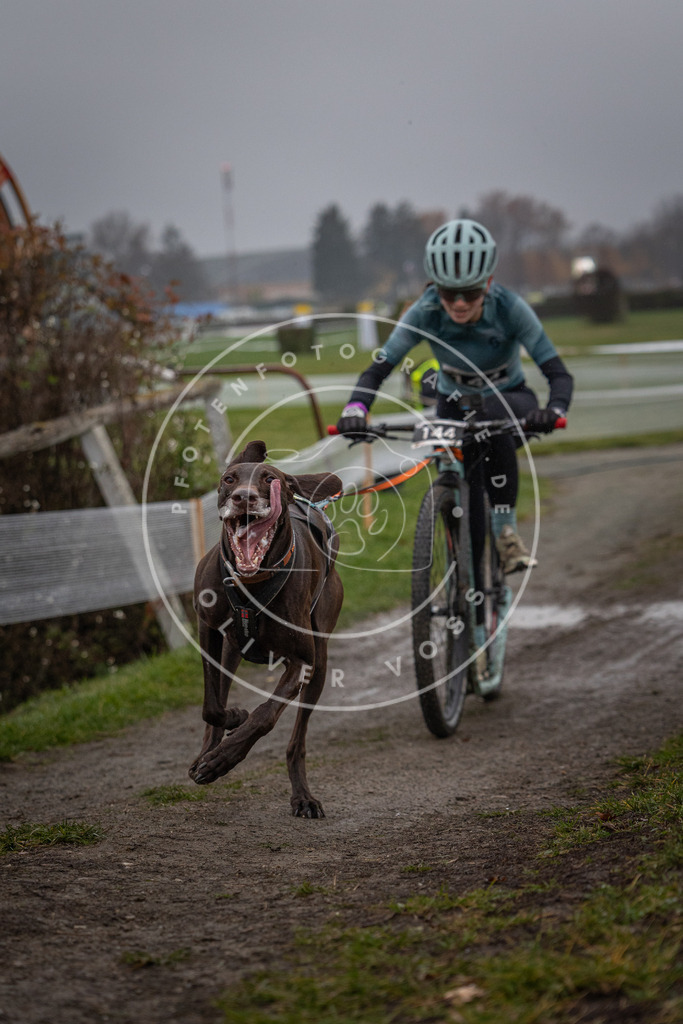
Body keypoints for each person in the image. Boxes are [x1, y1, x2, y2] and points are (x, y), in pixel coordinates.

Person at [336, 218, 574, 573]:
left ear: (488, 284)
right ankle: (465, 580)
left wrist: (554, 408)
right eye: (449, 293)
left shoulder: (509, 308)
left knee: (491, 423)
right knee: (469, 505)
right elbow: (378, 369)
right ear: (435, 287)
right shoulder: (426, 310)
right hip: (454, 405)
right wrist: (356, 408)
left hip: (510, 398)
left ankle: (506, 534)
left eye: (472, 293)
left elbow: (557, 372)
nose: (459, 304)